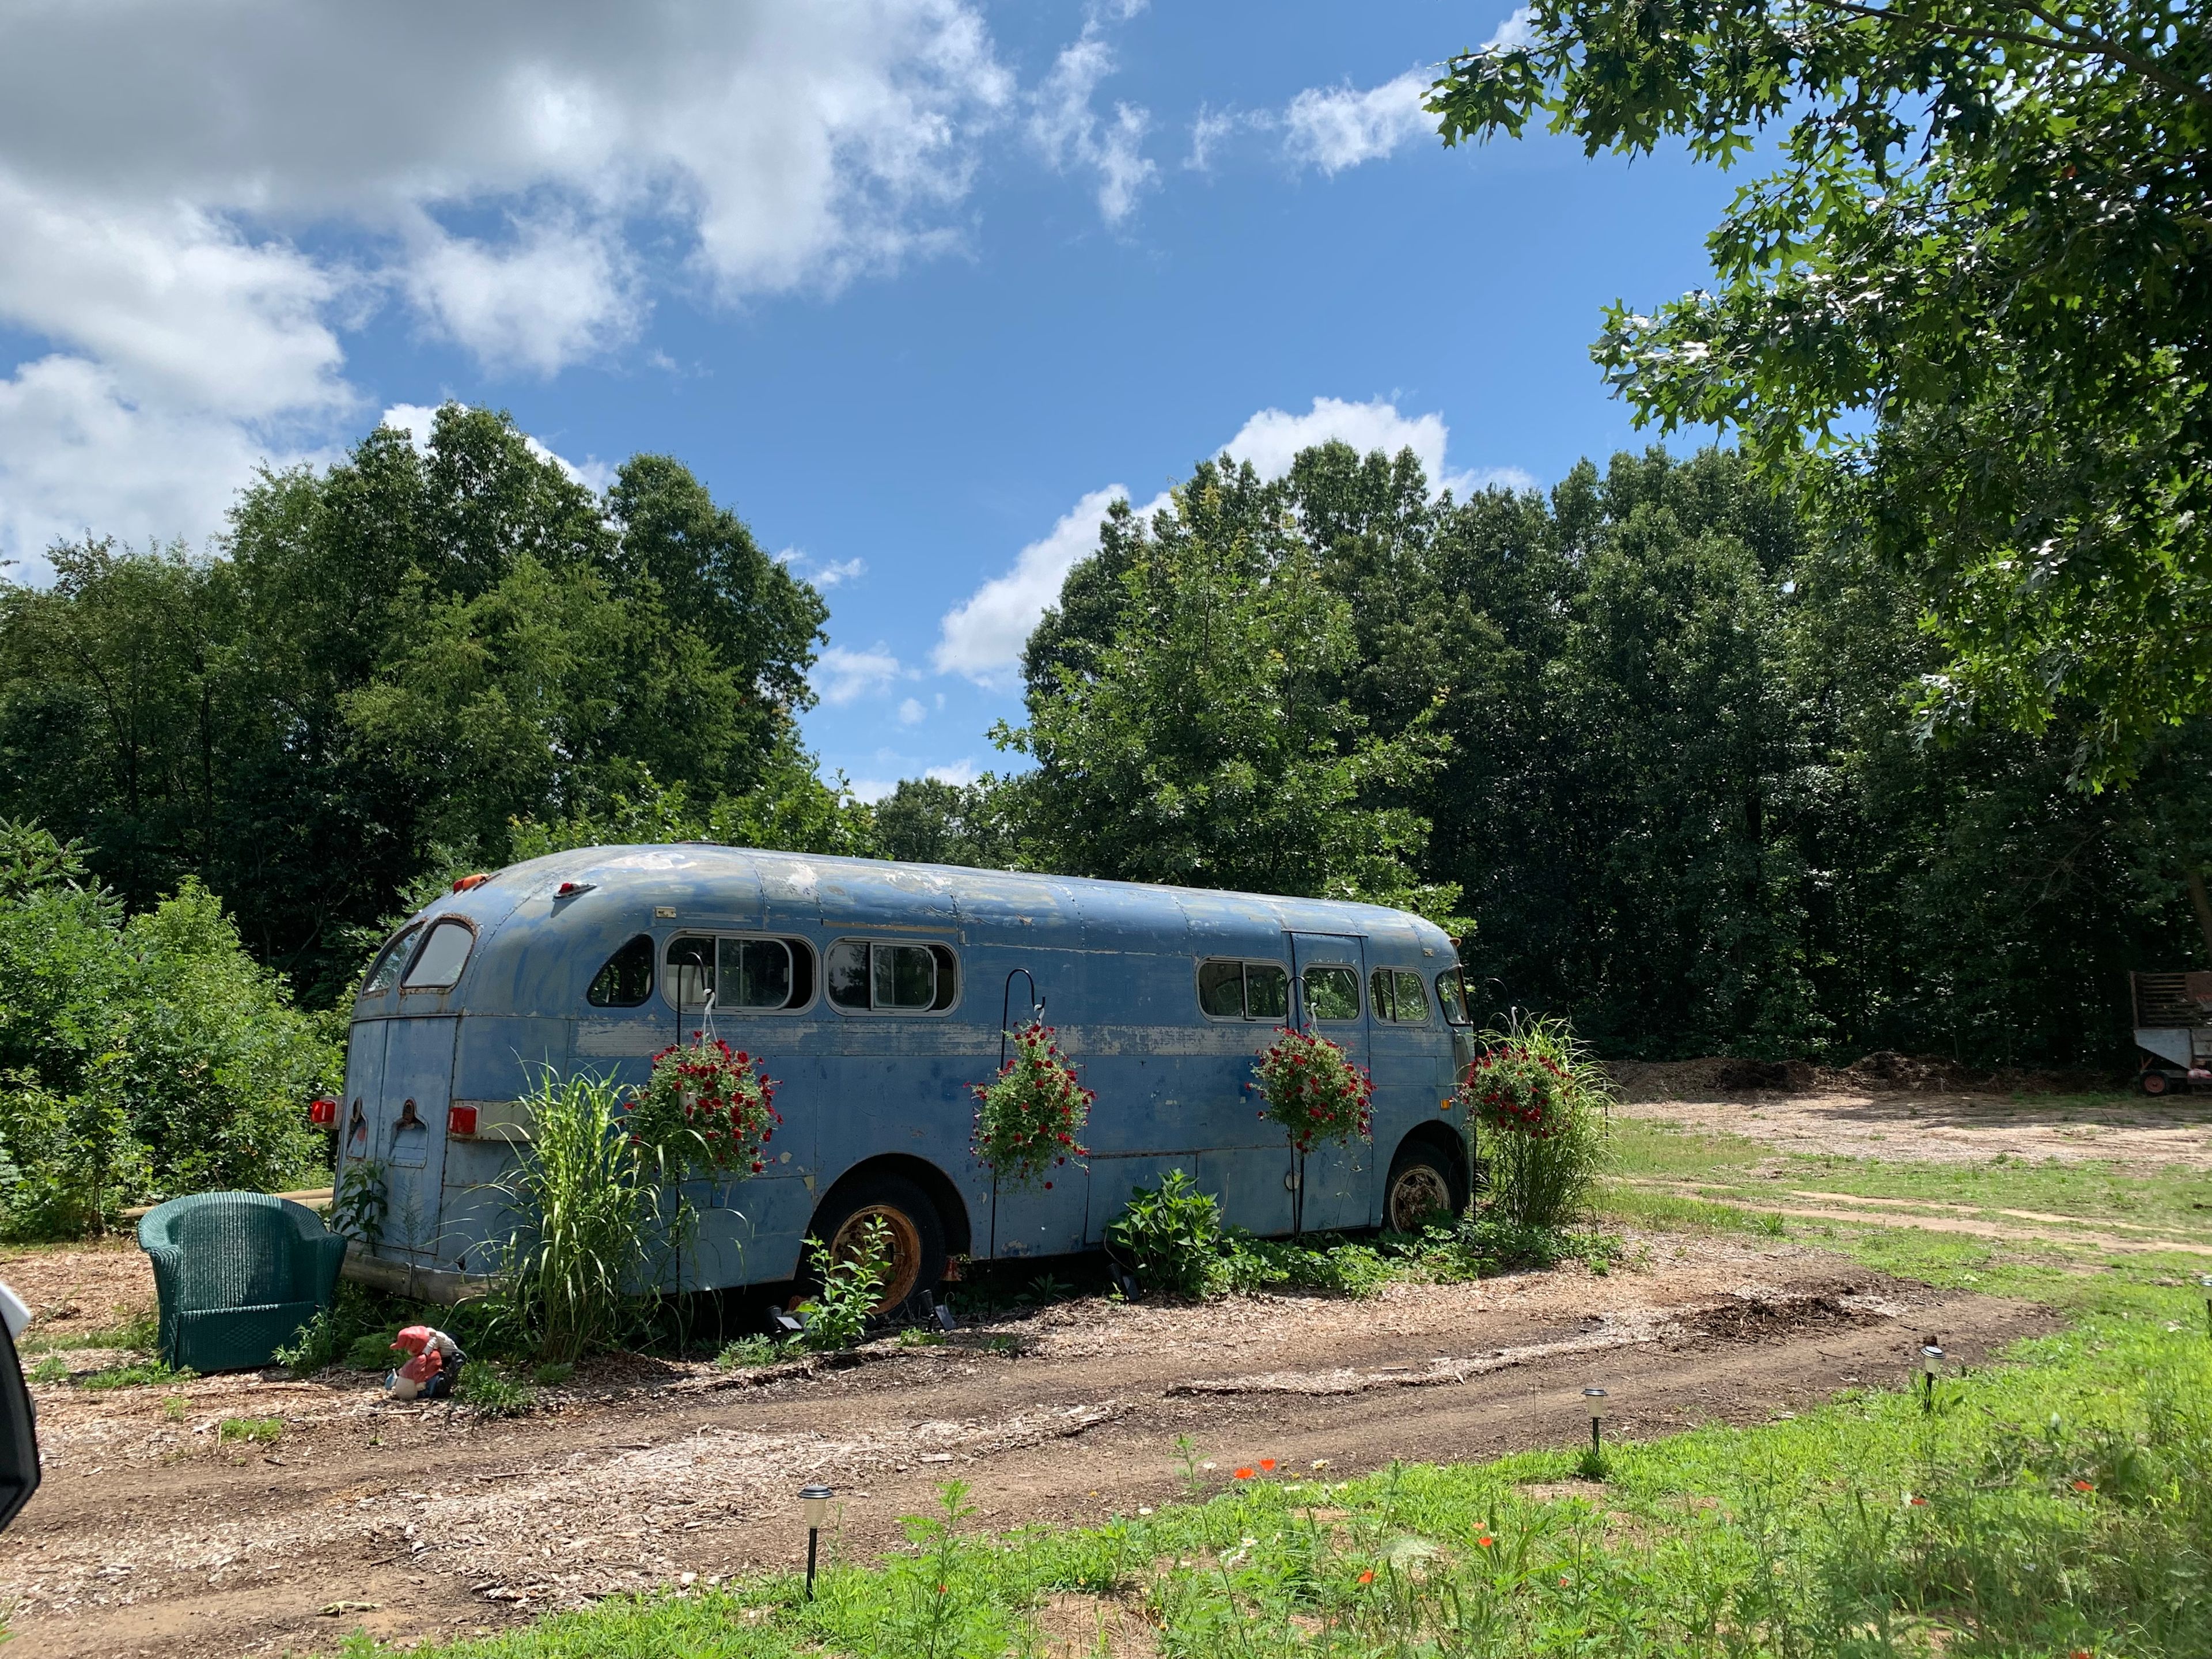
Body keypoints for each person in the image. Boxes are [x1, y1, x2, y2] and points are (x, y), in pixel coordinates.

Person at [385, 1325, 466, 1400]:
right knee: (437, 1385)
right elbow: (418, 1370)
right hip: (419, 1390)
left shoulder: (423, 1354)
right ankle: (449, 1375)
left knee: (438, 1374)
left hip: (412, 1386)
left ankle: (446, 1376)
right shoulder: (423, 1357)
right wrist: (419, 1382)